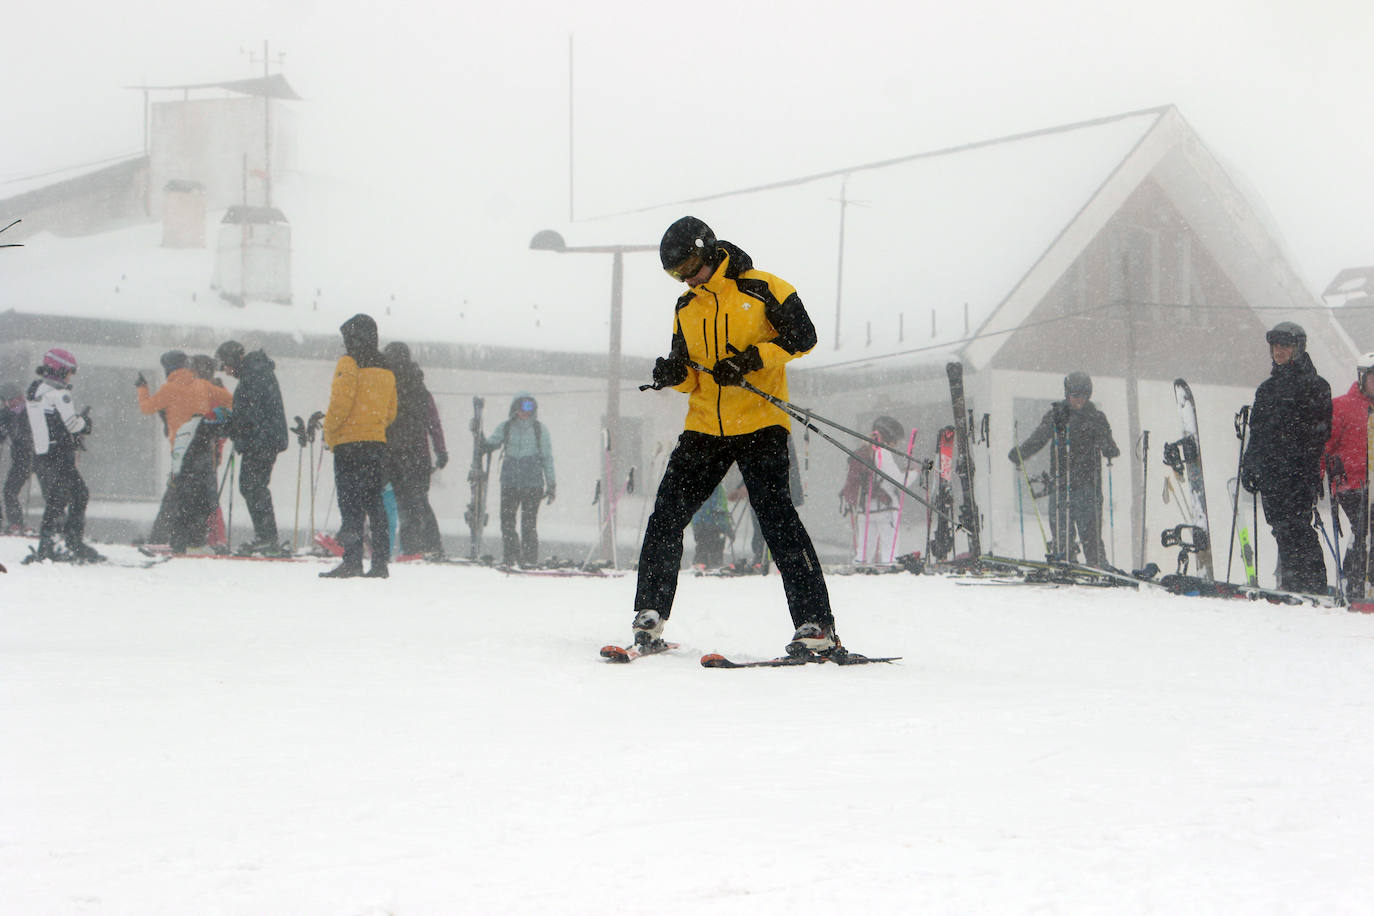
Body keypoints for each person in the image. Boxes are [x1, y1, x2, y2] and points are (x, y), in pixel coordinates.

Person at [631, 215, 838, 656]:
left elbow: (804, 336)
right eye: (676, 274)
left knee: (777, 521)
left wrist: (749, 360)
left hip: (761, 422)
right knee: (666, 515)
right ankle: (649, 614)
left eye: (689, 267)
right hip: (705, 427)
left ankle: (816, 623)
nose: (686, 278)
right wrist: (674, 375)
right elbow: (691, 375)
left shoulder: (762, 287)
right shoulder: (686, 307)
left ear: (707, 250)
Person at [1243, 321, 1332, 594]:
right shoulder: (1267, 389)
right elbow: (1257, 433)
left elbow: (1320, 432)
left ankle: (1313, 585)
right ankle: (1293, 582)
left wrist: (1300, 464)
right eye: (1276, 346)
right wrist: (1251, 464)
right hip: (1272, 473)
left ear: (1298, 349)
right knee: (1281, 528)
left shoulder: (1315, 386)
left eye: (1285, 346)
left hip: (1298, 473)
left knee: (1298, 528)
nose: (1279, 351)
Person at [1009, 371, 1120, 567]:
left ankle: (1097, 564)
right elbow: (1039, 438)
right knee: (1061, 531)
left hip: (1088, 486)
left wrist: (1110, 449)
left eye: (1083, 396)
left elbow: (1108, 445)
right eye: (1075, 395)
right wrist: (1021, 453)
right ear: (1067, 394)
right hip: (1061, 484)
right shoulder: (1057, 416)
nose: (1079, 400)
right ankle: (1064, 561)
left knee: (1091, 532)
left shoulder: (1096, 418)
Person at [321, 313, 397, 579]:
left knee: (350, 505)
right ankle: (380, 563)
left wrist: (329, 430)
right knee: (375, 504)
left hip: (348, 445)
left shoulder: (349, 362)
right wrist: (374, 425)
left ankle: (352, 560)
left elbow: (340, 404)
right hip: (376, 444)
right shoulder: (386, 366)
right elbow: (391, 411)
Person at [137, 349, 233, 552]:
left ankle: (174, 540)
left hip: (181, 451)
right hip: (205, 448)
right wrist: (219, 417)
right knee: (203, 497)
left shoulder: (168, 389)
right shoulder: (204, 385)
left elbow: (146, 407)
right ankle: (198, 540)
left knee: (179, 496)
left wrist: (142, 388)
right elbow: (231, 401)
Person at [22, 348, 101, 563]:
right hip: (59, 453)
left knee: (59, 497)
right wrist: (86, 422)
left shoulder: (36, 389)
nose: (71, 376)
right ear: (61, 369)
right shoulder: (60, 394)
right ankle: (69, 543)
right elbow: (73, 425)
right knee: (77, 495)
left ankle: (52, 543)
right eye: (70, 371)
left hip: (43, 453)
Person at [216, 340, 290, 555]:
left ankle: (267, 537)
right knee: (252, 486)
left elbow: (251, 413)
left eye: (225, 366)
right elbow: (251, 411)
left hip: (261, 440)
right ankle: (266, 536)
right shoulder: (254, 372)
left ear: (233, 360)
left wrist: (231, 425)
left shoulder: (254, 374)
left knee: (252, 486)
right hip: (261, 439)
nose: (226, 371)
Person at [382, 342, 449, 558]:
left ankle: (411, 548)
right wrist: (441, 450)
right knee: (419, 501)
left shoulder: (386, 385)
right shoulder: (420, 390)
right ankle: (429, 546)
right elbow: (433, 423)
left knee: (402, 502)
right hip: (417, 454)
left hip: (392, 452)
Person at [482, 392, 555, 567]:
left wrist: (551, 484)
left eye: (529, 407)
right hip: (510, 482)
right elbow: (492, 442)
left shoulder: (539, 430)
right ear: (515, 408)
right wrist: (482, 442)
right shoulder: (506, 427)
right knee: (507, 522)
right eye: (522, 406)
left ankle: (529, 559)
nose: (525, 411)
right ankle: (511, 556)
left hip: (533, 484)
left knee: (528, 524)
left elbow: (547, 458)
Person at [1324, 352, 1374, 599]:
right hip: (1351, 484)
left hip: (1372, 485)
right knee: (1364, 528)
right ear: (1362, 378)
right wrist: (1319, 475)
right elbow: (1326, 445)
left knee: (1365, 530)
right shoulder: (1342, 406)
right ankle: (1353, 582)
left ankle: (1361, 580)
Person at [839, 415, 908, 566]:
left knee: (864, 553)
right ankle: (889, 573)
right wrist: (914, 472)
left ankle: (860, 572)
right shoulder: (883, 452)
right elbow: (899, 481)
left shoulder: (862, 452)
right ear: (890, 437)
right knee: (889, 551)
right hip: (885, 508)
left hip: (865, 509)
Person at [1, 381, 34, 534]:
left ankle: (16, 523)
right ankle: (16, 523)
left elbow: (22, 436)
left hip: (28, 458)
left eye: (10, 400)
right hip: (21, 458)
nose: (8, 404)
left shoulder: (26, 413)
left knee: (10, 490)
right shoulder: (12, 414)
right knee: (10, 490)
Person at [690, 482, 732, 570]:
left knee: (702, 543)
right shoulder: (717, 486)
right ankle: (713, 564)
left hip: (697, 520)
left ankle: (700, 563)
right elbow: (719, 508)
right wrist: (726, 526)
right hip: (712, 522)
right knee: (715, 544)